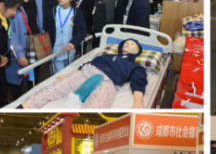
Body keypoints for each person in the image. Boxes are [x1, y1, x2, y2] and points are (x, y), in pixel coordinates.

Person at [19, 38, 147, 109]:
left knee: (97, 105)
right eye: (126, 42)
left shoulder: (136, 67)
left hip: (108, 82)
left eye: (132, 43)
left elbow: (138, 82)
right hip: (88, 72)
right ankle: (26, 106)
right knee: (55, 87)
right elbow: (87, 64)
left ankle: (78, 108)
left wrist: (138, 102)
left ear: (137, 52)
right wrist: (68, 76)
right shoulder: (106, 56)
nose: (128, 43)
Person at [43, 0, 87, 73]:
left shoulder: (76, 12)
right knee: (58, 75)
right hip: (56, 50)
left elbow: (82, 30)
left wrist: (74, 42)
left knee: (68, 73)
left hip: (70, 49)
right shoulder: (53, 11)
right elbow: (47, 29)